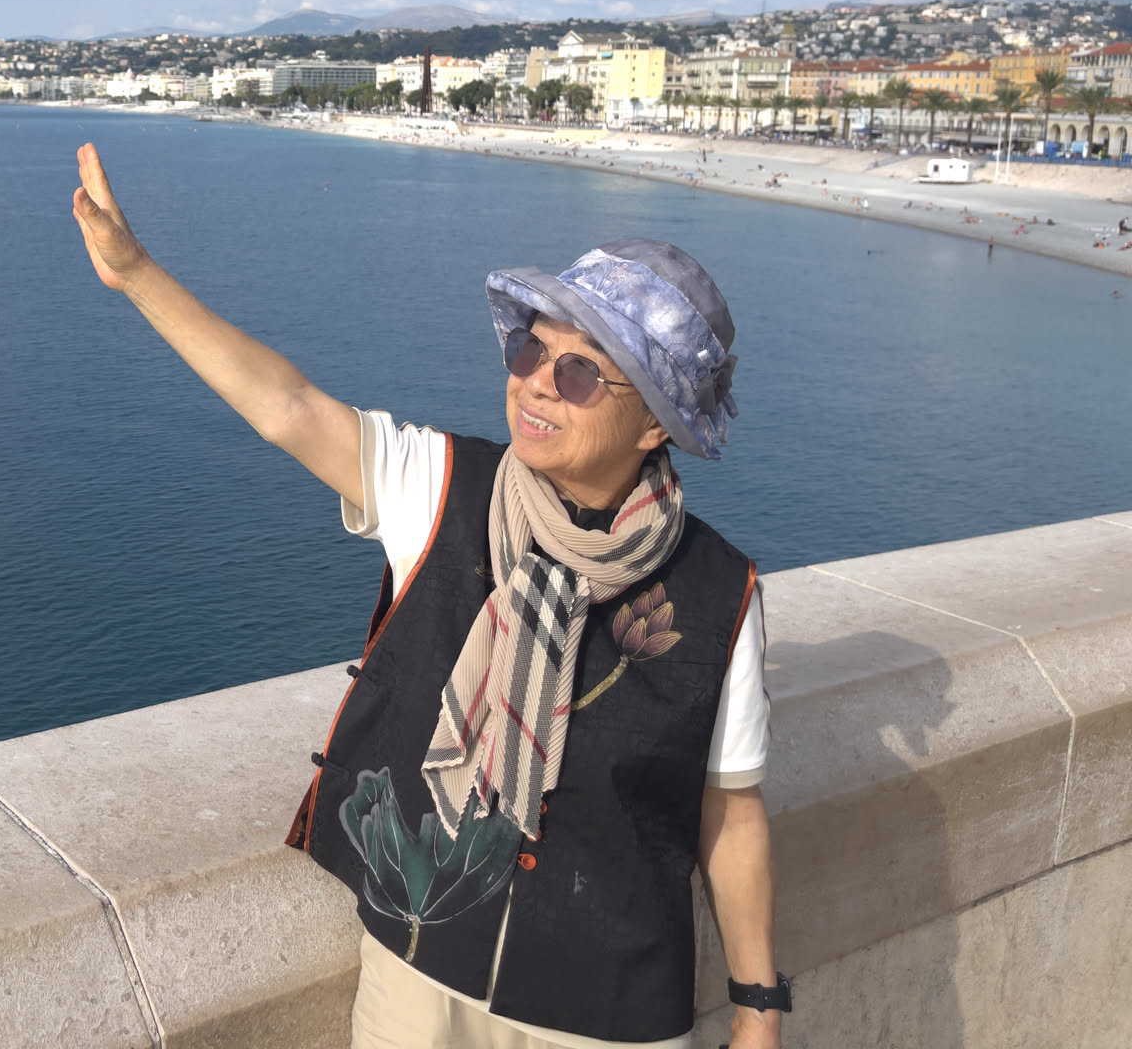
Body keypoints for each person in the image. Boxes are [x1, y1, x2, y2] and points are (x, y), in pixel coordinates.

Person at [71, 144, 786, 1049]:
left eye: (580, 371)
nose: (536, 380)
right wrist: (136, 274)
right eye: (532, 348)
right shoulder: (444, 488)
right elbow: (288, 407)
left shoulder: (718, 593)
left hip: (609, 1010)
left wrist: (758, 1009)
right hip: (421, 974)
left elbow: (730, 813)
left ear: (654, 423)